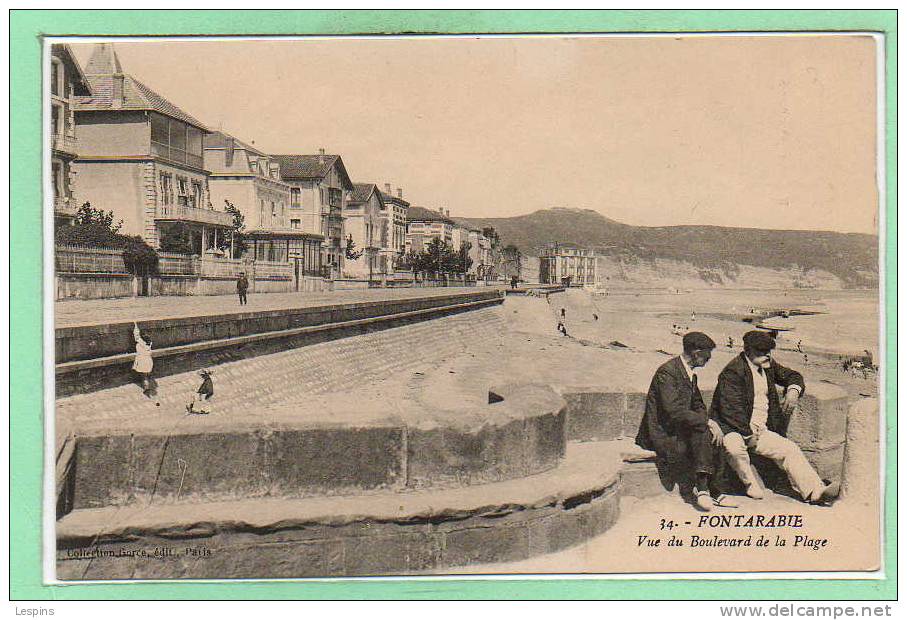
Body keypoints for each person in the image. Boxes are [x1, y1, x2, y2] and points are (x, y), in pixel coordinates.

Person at [710, 330, 837, 505]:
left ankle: (815, 491)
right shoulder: (732, 372)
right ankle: (749, 484)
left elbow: (793, 376)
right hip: (733, 429)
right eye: (762, 351)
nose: (767, 355)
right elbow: (730, 410)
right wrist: (747, 435)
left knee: (789, 449)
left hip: (761, 430)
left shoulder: (766, 366)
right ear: (748, 351)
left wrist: (793, 390)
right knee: (733, 448)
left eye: (769, 351)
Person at [635, 332, 736, 512]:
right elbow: (673, 411)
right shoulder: (667, 372)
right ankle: (706, 488)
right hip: (663, 434)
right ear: (696, 353)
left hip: (681, 430)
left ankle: (714, 490)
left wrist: (708, 421)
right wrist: (706, 422)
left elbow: (698, 404)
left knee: (713, 430)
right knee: (704, 430)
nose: (709, 358)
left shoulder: (689, 374)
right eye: (707, 354)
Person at [132, 323, 156, 399]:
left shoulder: (140, 342)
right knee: (146, 374)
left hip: (142, 361)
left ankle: (146, 388)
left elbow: (136, 336)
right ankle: (147, 384)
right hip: (148, 360)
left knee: (144, 376)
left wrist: (135, 325)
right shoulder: (149, 343)